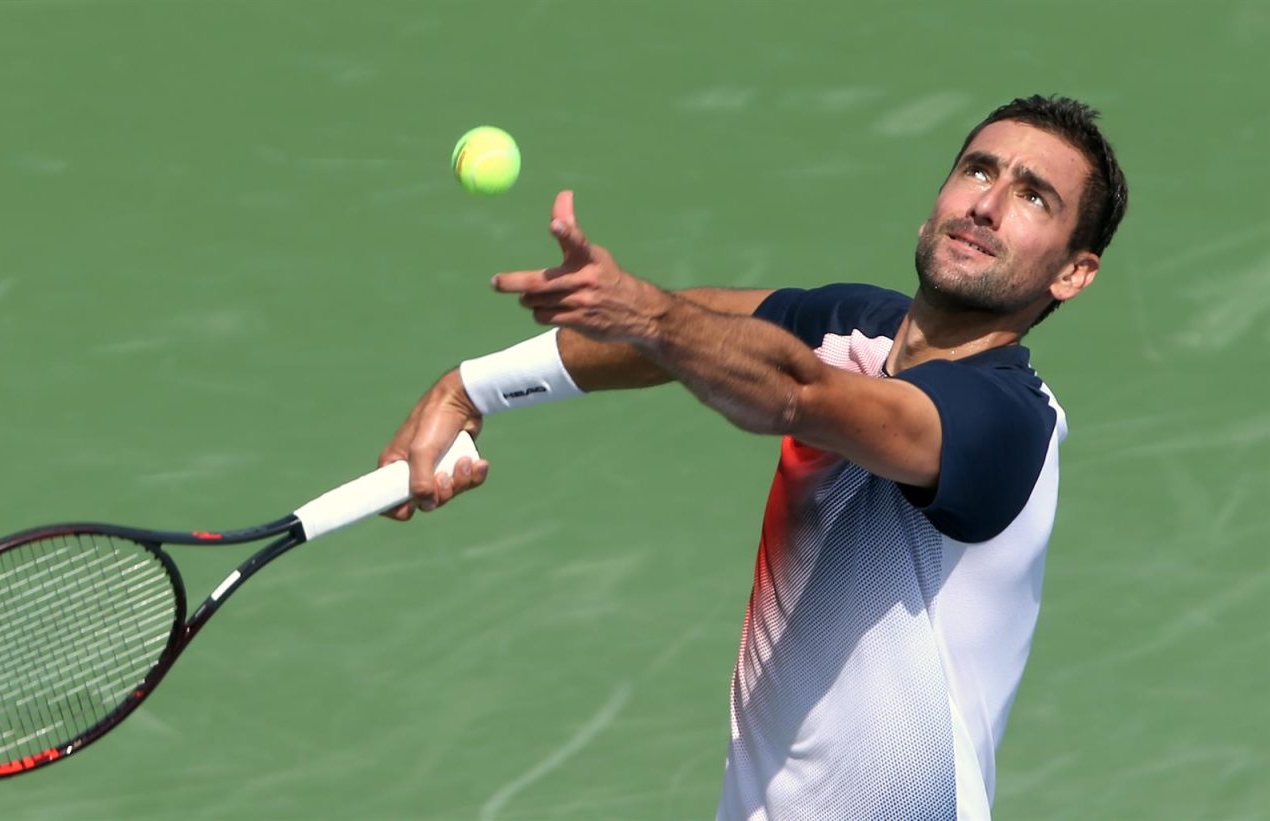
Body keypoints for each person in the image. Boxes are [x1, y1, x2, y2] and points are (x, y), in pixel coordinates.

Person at [378, 94, 1128, 820]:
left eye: (1034, 198)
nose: (987, 205)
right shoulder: (857, 325)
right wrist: (472, 388)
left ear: (1073, 272)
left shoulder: (1006, 423)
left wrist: (649, 316)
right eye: (978, 170)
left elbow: (792, 393)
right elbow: (690, 337)